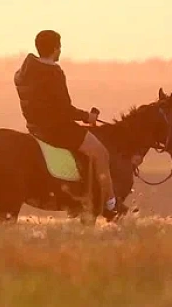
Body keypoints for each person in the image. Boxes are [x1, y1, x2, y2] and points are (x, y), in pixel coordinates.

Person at [14, 30, 122, 219]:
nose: (61, 51)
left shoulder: (22, 73)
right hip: (56, 129)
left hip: (34, 128)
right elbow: (64, 109)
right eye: (60, 47)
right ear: (55, 48)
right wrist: (87, 117)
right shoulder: (54, 73)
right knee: (100, 152)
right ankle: (110, 205)